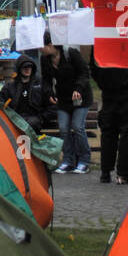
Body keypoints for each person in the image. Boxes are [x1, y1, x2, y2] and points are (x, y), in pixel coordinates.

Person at [40, 34, 93, 174]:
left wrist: (78, 89)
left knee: (77, 127)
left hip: (80, 97)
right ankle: (68, 160)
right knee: (63, 128)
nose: (41, 49)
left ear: (51, 45)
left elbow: (84, 72)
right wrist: (49, 93)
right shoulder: (45, 59)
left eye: (43, 46)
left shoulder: (70, 53)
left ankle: (84, 160)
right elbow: (46, 79)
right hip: (63, 98)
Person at [91, 56, 128, 184]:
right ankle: (124, 172)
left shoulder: (102, 39)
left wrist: (103, 81)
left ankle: (105, 172)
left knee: (108, 133)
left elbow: (94, 67)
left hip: (109, 94)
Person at [1, 57, 46, 132]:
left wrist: (41, 118)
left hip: (34, 119)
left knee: (30, 123)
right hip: (15, 117)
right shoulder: (10, 87)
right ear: (19, 69)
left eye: (30, 67)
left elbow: (51, 106)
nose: (28, 69)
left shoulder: (40, 85)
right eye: (25, 67)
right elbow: (1, 103)